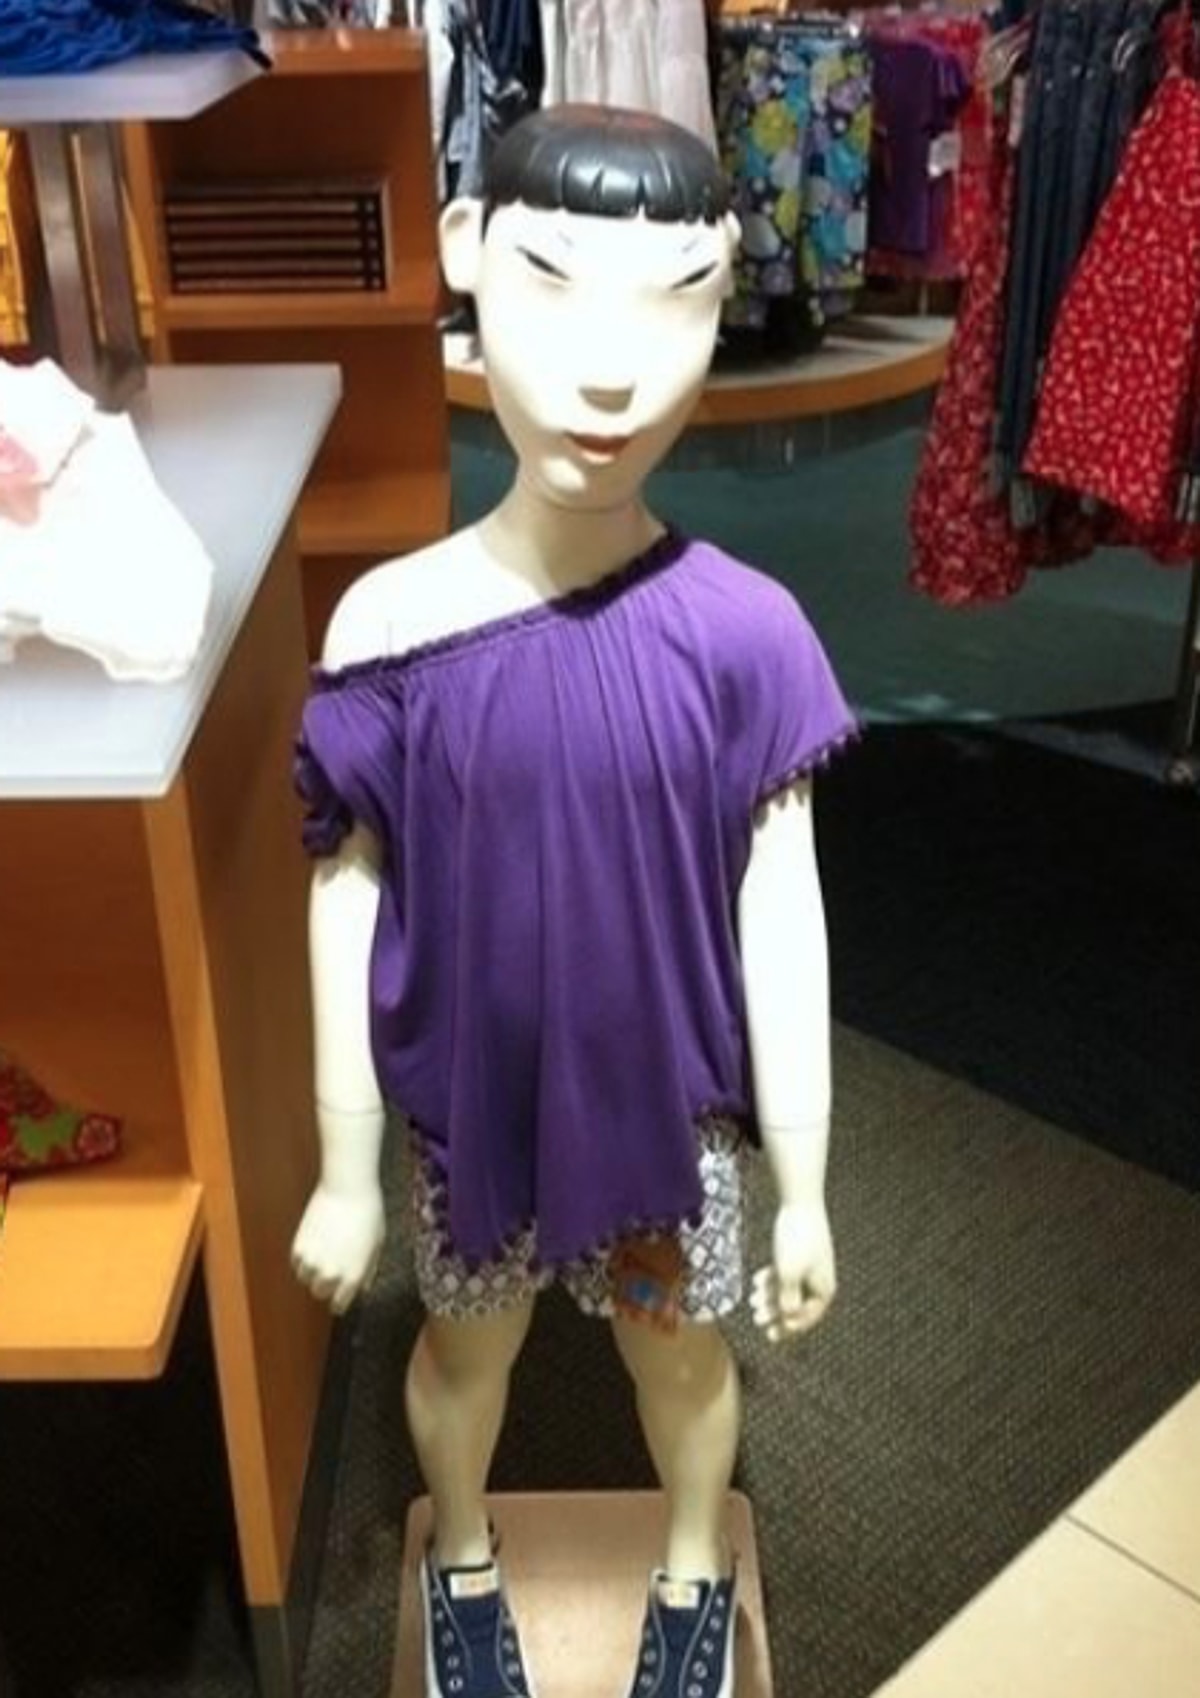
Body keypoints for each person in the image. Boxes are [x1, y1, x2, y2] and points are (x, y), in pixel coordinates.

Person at [291, 104, 855, 1698]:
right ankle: (462, 1551)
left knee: (676, 1346)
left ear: (725, 292)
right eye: (553, 286)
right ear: (468, 257)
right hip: (471, 1114)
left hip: (667, 1129)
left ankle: (693, 1563)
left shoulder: (747, 635)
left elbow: (784, 909)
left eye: (671, 304)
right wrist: (343, 1165)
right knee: (467, 1344)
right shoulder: (390, 629)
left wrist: (806, 1180)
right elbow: (347, 894)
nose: (610, 378)